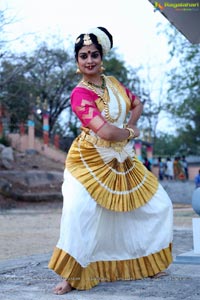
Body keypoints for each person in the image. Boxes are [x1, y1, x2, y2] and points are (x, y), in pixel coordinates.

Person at [48, 26, 173, 294]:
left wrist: (131, 123)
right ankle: (72, 275)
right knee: (79, 213)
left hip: (120, 157)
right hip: (89, 159)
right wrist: (131, 132)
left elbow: (137, 103)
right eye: (83, 56)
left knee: (157, 205)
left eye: (94, 54)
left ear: (102, 57)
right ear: (77, 61)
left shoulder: (114, 83)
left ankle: (145, 262)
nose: (89, 60)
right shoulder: (79, 94)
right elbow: (104, 130)